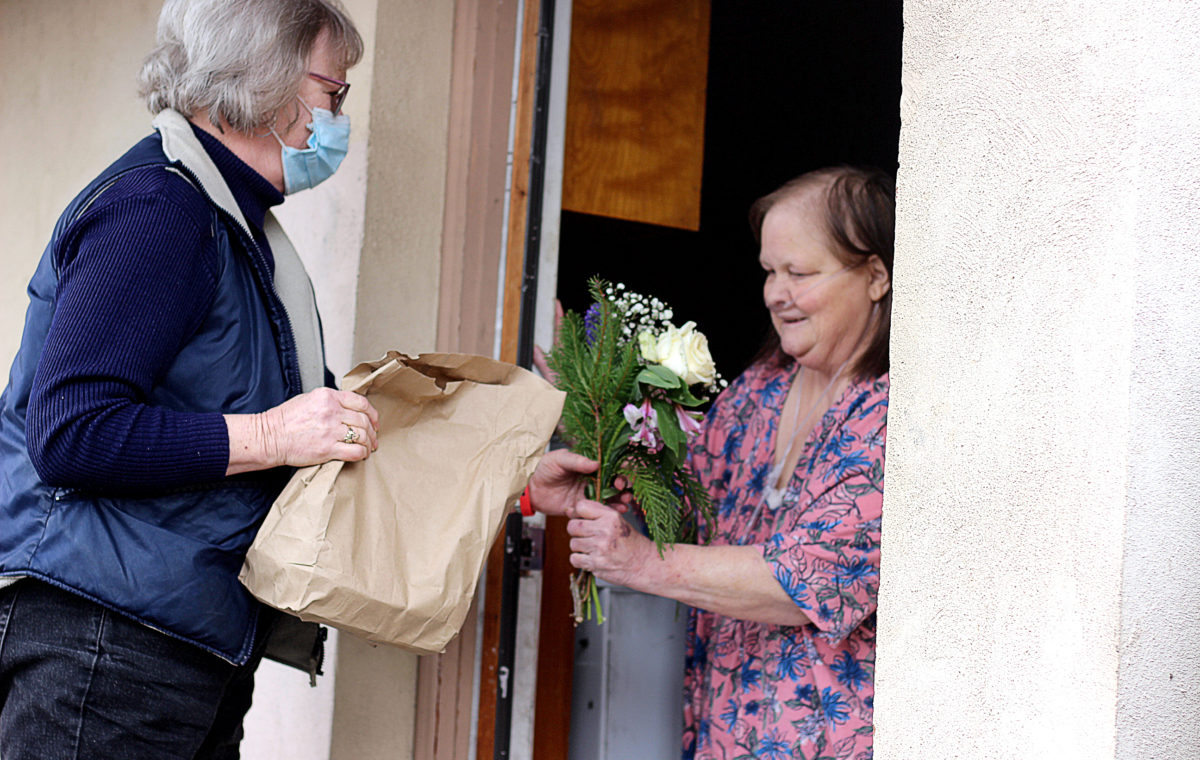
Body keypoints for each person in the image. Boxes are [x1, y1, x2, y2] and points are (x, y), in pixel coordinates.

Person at [0, 1, 593, 757]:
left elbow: (311, 454)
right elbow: (73, 433)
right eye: (332, 92)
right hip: (107, 641)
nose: (339, 118)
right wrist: (277, 431)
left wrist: (517, 478)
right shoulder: (161, 209)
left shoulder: (233, 226)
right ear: (261, 78)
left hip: (177, 643)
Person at [554, 166, 894, 760]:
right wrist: (603, 472)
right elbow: (688, 507)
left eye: (800, 273)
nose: (775, 293)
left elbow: (804, 583)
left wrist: (640, 563)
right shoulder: (758, 393)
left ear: (875, 276)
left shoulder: (894, 415)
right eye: (769, 272)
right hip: (724, 734)